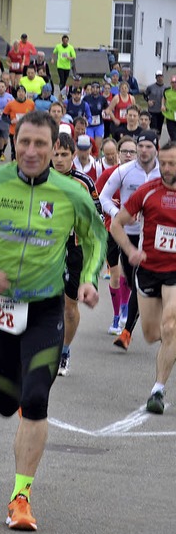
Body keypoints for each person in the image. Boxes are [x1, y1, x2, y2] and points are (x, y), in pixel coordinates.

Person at [0, 110, 106, 531]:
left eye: (42, 144)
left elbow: (96, 238)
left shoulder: (71, 195)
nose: (33, 151)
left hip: (44, 308)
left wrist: (89, 279)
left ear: (56, 148)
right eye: (25, 143)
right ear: (13, 143)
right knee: (8, 403)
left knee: (36, 398)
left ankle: (21, 497)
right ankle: (19, 409)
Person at [110, 141, 176, 414]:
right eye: (165, 163)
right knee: (152, 334)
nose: (167, 168)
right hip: (148, 270)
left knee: (170, 326)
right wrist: (129, 250)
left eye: (173, 163)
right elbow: (116, 224)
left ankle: (157, 390)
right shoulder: (148, 192)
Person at [100, 131, 162, 350]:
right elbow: (103, 197)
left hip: (154, 236)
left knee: (140, 280)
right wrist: (118, 214)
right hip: (127, 234)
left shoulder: (164, 172)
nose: (144, 150)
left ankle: (127, 332)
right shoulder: (124, 171)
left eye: (149, 146)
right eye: (141, 146)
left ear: (156, 149)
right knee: (133, 279)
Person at [52, 133, 103, 377]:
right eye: (56, 154)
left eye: (64, 155)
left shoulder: (84, 182)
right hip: (45, 249)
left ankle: (64, 351)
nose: (59, 159)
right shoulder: (39, 178)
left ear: (74, 155)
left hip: (74, 250)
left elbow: (98, 217)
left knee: (70, 307)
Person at [96, 136, 138, 335]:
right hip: (111, 229)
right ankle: (116, 316)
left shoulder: (144, 176)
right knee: (115, 273)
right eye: (125, 152)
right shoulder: (109, 175)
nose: (129, 155)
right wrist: (115, 213)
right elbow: (98, 198)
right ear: (119, 155)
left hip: (134, 231)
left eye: (132, 152)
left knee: (128, 276)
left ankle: (124, 307)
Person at [3, 85, 35, 161]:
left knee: (25, 148)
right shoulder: (11, 104)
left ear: (25, 93)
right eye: (19, 92)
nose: (21, 93)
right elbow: (3, 116)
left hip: (27, 131)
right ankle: (14, 161)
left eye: (23, 92)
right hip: (14, 130)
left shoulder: (31, 104)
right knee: (14, 148)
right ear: (16, 93)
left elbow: (34, 116)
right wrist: (10, 121)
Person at [83, 81, 108, 149]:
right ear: (91, 89)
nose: (95, 89)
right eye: (93, 87)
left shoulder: (102, 99)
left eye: (97, 88)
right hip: (89, 125)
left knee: (98, 145)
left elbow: (107, 109)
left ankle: (97, 158)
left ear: (99, 89)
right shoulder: (86, 98)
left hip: (99, 124)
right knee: (89, 143)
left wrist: (105, 112)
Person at [144, 70, 167, 135]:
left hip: (161, 111)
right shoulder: (150, 87)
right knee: (153, 127)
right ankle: (153, 139)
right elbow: (145, 95)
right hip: (152, 110)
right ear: (156, 78)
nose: (160, 78)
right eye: (158, 77)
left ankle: (157, 141)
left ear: (163, 77)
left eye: (161, 76)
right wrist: (148, 101)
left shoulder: (166, 88)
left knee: (159, 128)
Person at [162, 75, 176, 141]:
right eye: (173, 82)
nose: (174, 84)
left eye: (175, 82)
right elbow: (164, 98)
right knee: (172, 135)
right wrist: (163, 105)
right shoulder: (167, 90)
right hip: (169, 115)